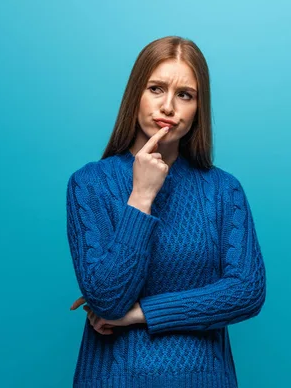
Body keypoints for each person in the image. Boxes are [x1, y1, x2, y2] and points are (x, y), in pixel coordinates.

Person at [65, 36, 267, 387]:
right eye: (156, 88)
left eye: (184, 95)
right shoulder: (89, 184)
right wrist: (141, 197)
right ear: (135, 95)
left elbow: (246, 292)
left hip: (204, 379)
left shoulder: (223, 190)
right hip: (115, 378)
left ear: (197, 108)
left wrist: (141, 313)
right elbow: (108, 298)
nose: (168, 107)